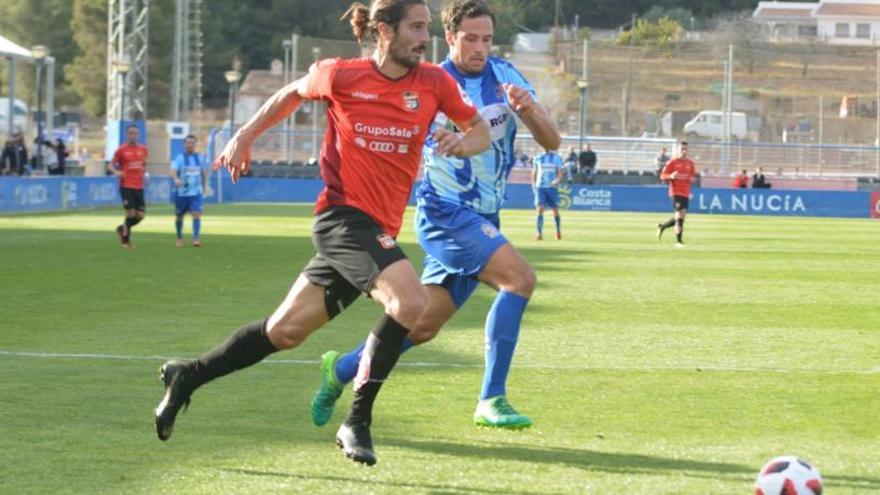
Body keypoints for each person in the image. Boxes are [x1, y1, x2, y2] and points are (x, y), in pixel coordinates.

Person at [152, 0, 489, 467]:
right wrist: (245, 136)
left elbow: (479, 130)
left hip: (375, 232)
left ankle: (187, 376)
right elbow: (290, 93)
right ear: (383, 30)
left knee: (284, 332)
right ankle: (357, 421)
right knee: (410, 302)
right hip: (342, 218)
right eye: (415, 27)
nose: (423, 37)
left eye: (425, 27)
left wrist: (462, 142)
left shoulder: (434, 82)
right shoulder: (342, 75)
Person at [310, 0, 560, 432]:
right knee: (519, 278)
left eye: (486, 39)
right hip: (444, 212)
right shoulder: (429, 83)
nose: (480, 47)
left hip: (484, 216)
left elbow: (552, 141)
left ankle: (342, 369)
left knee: (421, 326)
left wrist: (531, 111)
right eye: (470, 38)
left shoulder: (506, 78)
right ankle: (491, 398)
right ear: (451, 37)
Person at [107, 125, 148, 248]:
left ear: (138, 135)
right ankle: (126, 240)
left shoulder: (144, 149)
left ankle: (122, 228)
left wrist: (145, 173)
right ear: (127, 134)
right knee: (130, 214)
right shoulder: (121, 150)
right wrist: (117, 172)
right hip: (126, 185)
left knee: (140, 215)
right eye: (131, 133)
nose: (133, 135)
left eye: (135, 133)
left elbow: (144, 165)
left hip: (139, 186)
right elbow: (110, 166)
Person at [656, 140, 696, 248]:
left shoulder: (690, 163)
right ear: (678, 150)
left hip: (685, 193)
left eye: (686, 149)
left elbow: (692, 177)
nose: (684, 151)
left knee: (681, 216)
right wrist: (671, 176)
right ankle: (679, 242)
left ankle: (662, 226)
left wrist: (692, 180)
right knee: (679, 215)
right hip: (675, 192)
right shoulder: (672, 162)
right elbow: (662, 176)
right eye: (682, 149)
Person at [170, 134, 208, 247]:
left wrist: (204, 187)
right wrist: (176, 179)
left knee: (196, 214)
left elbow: (203, 173)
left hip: (196, 193)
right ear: (184, 144)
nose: (190, 145)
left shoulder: (199, 158)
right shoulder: (180, 157)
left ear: (195, 144)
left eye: (192, 143)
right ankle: (179, 238)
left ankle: (196, 238)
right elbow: (173, 170)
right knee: (179, 216)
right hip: (182, 193)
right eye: (188, 143)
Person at [532, 148, 564, 240]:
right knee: (540, 208)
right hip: (540, 187)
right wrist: (533, 184)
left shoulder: (556, 158)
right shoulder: (538, 158)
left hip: (552, 187)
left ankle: (557, 231)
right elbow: (534, 172)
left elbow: (560, 172)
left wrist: (557, 180)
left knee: (555, 209)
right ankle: (539, 234)